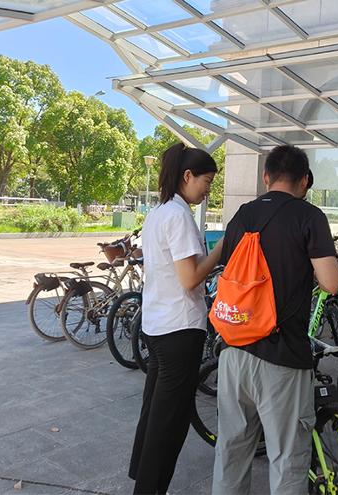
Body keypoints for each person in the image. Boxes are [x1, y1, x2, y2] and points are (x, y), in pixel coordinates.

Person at [212, 145, 338, 494]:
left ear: (266, 177)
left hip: (234, 351)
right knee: (287, 460)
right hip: (282, 357)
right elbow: (331, 284)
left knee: (230, 451)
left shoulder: (242, 215)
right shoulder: (308, 216)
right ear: (304, 181)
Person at [129, 142, 223, 495]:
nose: (208, 189)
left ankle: (143, 479)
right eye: (207, 181)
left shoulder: (158, 212)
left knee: (154, 411)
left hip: (157, 325)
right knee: (170, 421)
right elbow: (190, 278)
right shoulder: (180, 216)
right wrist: (221, 248)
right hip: (179, 329)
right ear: (187, 176)